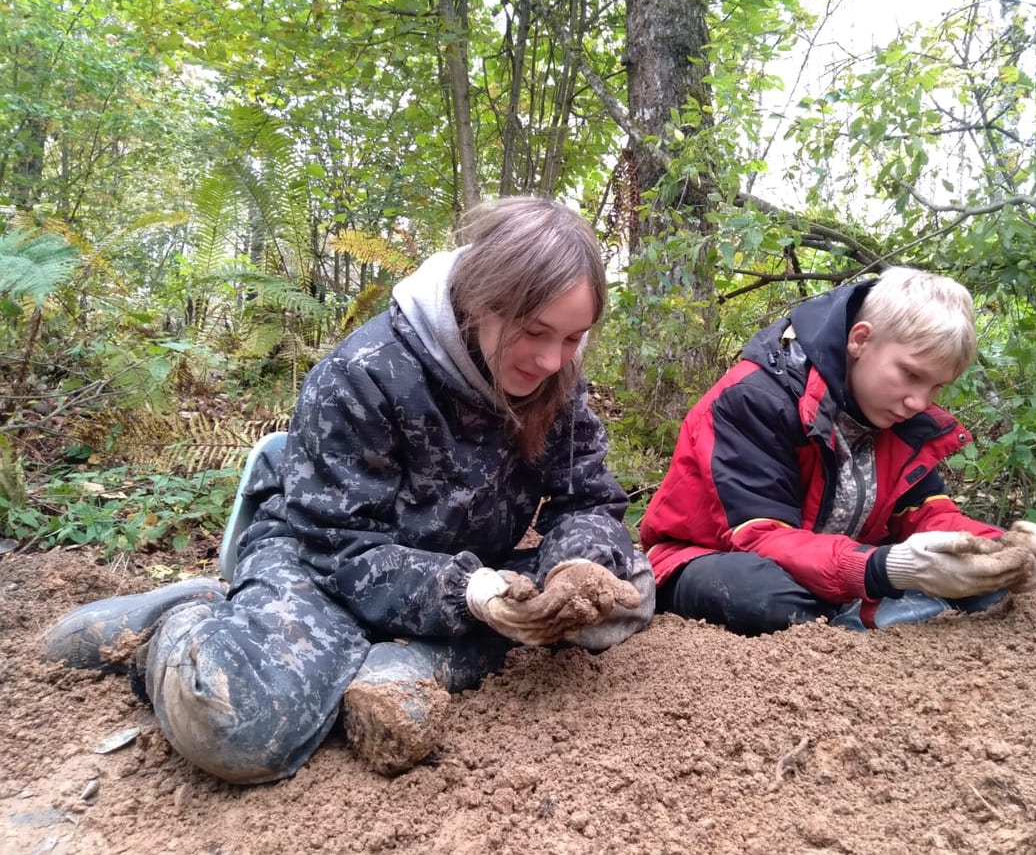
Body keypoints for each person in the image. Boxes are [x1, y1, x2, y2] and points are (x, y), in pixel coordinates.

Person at [42, 196, 655, 783]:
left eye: (573, 338)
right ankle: (185, 623)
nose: (552, 361)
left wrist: (575, 566)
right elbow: (338, 547)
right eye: (534, 331)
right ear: (479, 300)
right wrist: (470, 593)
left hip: (460, 566)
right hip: (325, 563)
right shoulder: (362, 373)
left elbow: (588, 497)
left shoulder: (556, 381)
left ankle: (406, 661)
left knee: (625, 588)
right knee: (233, 726)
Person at [639, 267, 1036, 634]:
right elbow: (760, 538)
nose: (919, 401)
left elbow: (927, 513)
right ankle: (882, 612)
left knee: (986, 586)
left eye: (935, 387)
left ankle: (868, 614)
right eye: (910, 374)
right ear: (861, 339)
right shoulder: (755, 398)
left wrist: (1002, 549)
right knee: (764, 598)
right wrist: (885, 569)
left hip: (836, 564)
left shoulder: (901, 418)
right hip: (709, 557)